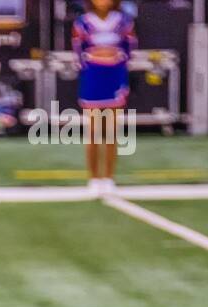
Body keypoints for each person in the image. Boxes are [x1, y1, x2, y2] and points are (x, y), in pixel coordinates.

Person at [72, 0, 137, 195]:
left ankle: (108, 177)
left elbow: (130, 47)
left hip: (114, 78)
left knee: (111, 132)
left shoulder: (123, 21)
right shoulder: (83, 22)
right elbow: (78, 50)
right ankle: (93, 178)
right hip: (92, 78)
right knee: (93, 132)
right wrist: (94, 58)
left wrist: (115, 59)